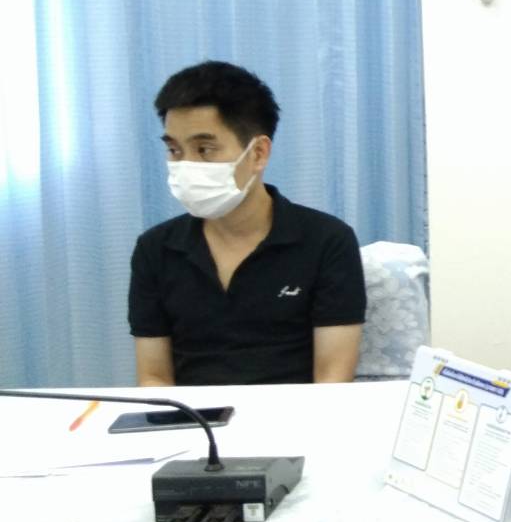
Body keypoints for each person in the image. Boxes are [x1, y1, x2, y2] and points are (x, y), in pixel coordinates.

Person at [128, 61, 366, 385]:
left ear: (258, 154)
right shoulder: (155, 249)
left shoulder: (328, 241)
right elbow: (154, 377)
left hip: (295, 413)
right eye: (174, 149)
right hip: (194, 415)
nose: (186, 165)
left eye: (204, 149)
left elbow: (332, 379)